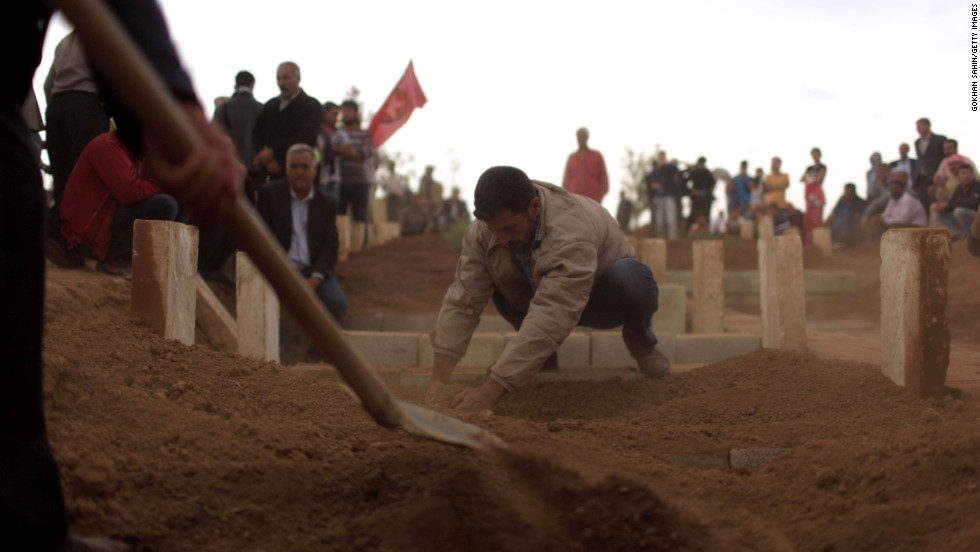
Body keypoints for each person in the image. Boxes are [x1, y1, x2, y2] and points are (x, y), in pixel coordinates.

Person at [3, 2, 240, 551]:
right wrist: (173, 107)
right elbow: (135, 192)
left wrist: (162, 116)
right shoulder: (102, 147)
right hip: (93, 227)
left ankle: (21, 520)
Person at [424, 166, 670, 413]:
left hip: (599, 297)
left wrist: (491, 390)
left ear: (534, 207)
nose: (502, 238)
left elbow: (554, 312)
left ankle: (642, 342)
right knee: (489, 271)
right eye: (494, 230)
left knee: (632, 278)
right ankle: (542, 358)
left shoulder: (571, 230)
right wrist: (438, 380)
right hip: (539, 295)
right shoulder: (481, 232)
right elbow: (463, 300)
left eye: (509, 228)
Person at [256, 144, 347, 361]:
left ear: (314, 170)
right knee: (270, 300)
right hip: (279, 269)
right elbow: (261, 236)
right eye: (294, 166)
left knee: (336, 302)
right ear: (286, 169)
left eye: (305, 166)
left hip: (313, 271)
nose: (299, 171)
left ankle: (320, 357)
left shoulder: (326, 203)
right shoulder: (269, 194)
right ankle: (280, 360)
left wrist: (315, 279)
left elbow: (330, 246)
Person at [58, 130, 182, 277]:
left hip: (108, 213)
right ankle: (115, 259)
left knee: (184, 203)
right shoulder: (109, 145)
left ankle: (157, 262)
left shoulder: (138, 147)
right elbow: (130, 192)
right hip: (90, 225)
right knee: (166, 205)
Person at [42, 30, 110, 207]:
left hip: (57, 107)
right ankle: (76, 230)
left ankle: (57, 229)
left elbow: (47, 85)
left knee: (60, 178)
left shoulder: (63, 42)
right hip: (86, 106)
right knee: (84, 177)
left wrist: (56, 109)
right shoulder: (100, 32)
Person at [252, 62, 322, 184]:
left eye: (286, 78)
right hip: (268, 175)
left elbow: (306, 138)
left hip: (298, 176)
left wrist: (275, 154)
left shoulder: (311, 106)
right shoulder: (270, 105)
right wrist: (267, 159)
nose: (281, 83)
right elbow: (257, 134)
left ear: (298, 79)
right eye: (278, 78)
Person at [333, 99, 377, 248]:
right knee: (340, 214)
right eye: (344, 111)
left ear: (356, 113)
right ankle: (342, 247)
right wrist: (352, 154)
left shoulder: (364, 133)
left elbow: (369, 151)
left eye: (349, 111)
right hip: (341, 179)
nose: (346, 114)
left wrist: (350, 153)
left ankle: (358, 249)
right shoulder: (337, 132)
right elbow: (333, 150)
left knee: (360, 215)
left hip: (360, 180)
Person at [865, 173, 928, 237]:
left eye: (896, 189)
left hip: (917, 227)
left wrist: (884, 220)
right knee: (875, 221)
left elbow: (903, 220)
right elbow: (886, 214)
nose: (893, 191)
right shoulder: (893, 199)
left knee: (894, 227)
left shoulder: (908, 200)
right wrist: (879, 217)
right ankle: (879, 244)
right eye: (891, 190)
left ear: (902, 189)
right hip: (902, 225)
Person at [932, 164, 980, 241]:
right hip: (962, 215)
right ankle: (962, 234)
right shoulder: (959, 188)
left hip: (976, 218)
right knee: (939, 215)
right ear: (958, 177)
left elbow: (973, 201)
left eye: (968, 173)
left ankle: (972, 234)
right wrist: (943, 208)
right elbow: (953, 202)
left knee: (959, 211)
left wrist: (948, 204)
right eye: (963, 173)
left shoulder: (977, 185)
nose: (966, 176)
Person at [561, 127, 609, 203]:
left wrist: (599, 197)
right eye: (579, 136)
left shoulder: (597, 156)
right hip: (575, 202)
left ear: (587, 137)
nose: (581, 139)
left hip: (593, 202)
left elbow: (604, 179)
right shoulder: (572, 158)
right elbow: (565, 181)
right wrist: (569, 198)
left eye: (583, 136)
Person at [645, 152, 684, 238]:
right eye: (660, 157)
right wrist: (654, 185)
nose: (661, 159)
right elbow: (650, 182)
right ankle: (660, 240)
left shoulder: (670, 168)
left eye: (663, 157)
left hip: (669, 196)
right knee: (659, 221)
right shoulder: (654, 170)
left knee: (671, 219)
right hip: (658, 197)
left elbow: (677, 174)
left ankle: (672, 240)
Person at [825, 183, 867, 249]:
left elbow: (863, 217)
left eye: (849, 191)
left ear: (854, 192)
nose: (847, 193)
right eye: (846, 191)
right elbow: (834, 213)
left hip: (849, 227)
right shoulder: (842, 200)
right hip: (837, 225)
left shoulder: (860, 202)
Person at [800, 147, 826, 245]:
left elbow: (819, 179)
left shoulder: (822, 167)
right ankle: (809, 242)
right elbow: (802, 179)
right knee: (808, 219)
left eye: (816, 154)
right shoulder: (809, 168)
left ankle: (819, 242)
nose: (815, 156)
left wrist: (810, 177)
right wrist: (811, 177)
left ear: (819, 155)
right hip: (809, 195)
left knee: (817, 219)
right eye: (813, 154)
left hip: (816, 194)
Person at [683, 157, 715, 229]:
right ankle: (689, 231)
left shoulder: (708, 173)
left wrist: (705, 192)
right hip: (696, 198)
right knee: (693, 215)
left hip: (706, 198)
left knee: (706, 215)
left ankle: (706, 232)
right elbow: (685, 181)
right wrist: (691, 191)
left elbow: (712, 184)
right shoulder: (694, 172)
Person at [417, 165, 444, 233]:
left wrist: (431, 203)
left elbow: (438, 198)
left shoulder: (438, 186)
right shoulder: (422, 186)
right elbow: (420, 197)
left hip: (435, 211)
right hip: (423, 211)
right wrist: (426, 203)